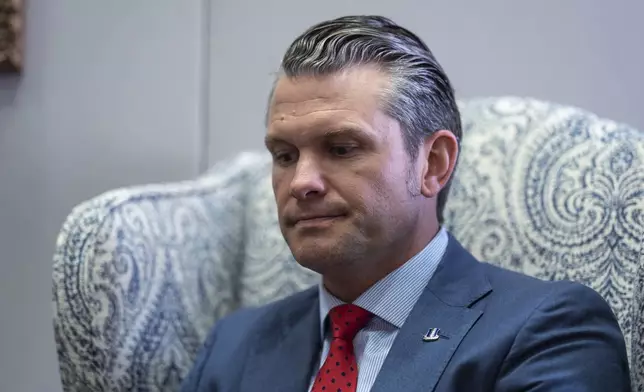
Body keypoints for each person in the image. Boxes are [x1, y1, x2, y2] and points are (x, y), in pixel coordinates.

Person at [181, 15, 631, 392]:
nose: (301, 182)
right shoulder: (234, 345)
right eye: (284, 156)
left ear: (433, 163)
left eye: (341, 148)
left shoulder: (548, 330)